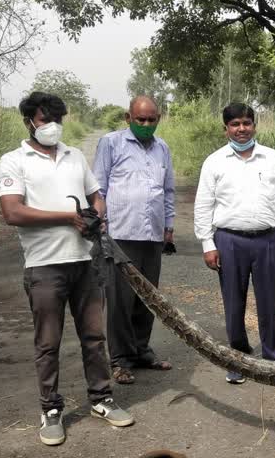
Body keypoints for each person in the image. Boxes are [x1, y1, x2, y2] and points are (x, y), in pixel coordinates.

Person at [0, 92, 133, 446]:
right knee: (48, 342)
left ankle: (101, 399)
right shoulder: (14, 160)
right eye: (45, 120)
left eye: (57, 119)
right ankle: (51, 410)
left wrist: (97, 215)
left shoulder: (74, 156)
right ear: (29, 121)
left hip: (85, 262)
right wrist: (67, 217)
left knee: (94, 337)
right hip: (44, 266)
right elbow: (12, 212)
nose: (52, 126)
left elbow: (96, 194)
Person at [194, 102, 275, 384]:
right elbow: (203, 205)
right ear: (226, 129)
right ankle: (238, 359)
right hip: (229, 241)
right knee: (234, 303)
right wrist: (208, 243)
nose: (241, 129)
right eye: (235, 124)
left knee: (270, 301)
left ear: (254, 125)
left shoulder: (271, 159)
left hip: (268, 240)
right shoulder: (215, 162)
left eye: (246, 123)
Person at [93, 95, 175, 385]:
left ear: (158, 119)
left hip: (152, 234)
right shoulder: (111, 143)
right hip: (120, 233)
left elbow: (167, 190)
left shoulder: (162, 148)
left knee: (147, 297)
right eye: (140, 119)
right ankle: (120, 359)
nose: (146, 124)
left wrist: (169, 225)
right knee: (120, 301)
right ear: (128, 118)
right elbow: (98, 188)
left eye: (151, 119)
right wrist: (100, 225)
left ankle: (142, 350)